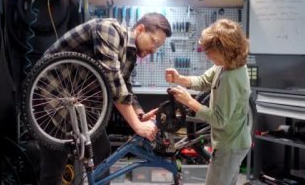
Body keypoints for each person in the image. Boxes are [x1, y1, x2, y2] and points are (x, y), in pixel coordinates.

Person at [39, 12, 172, 184]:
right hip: (50, 98)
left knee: (101, 151)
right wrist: (138, 126)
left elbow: (125, 85)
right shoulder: (109, 30)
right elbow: (112, 80)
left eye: (158, 47)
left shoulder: (129, 53)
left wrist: (140, 114)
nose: (153, 50)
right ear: (140, 29)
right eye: (154, 42)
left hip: (75, 105)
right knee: (54, 168)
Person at [165, 19, 251, 185]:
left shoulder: (231, 78)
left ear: (226, 50)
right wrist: (180, 79)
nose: (207, 55)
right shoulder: (225, 65)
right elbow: (204, 81)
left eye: (211, 52)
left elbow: (219, 120)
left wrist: (189, 101)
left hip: (230, 146)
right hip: (231, 142)